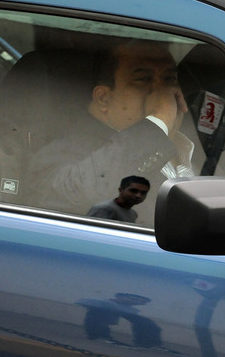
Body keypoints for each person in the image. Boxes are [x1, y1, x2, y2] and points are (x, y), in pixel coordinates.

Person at [27, 39, 195, 225]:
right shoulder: (64, 152)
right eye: (143, 80)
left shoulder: (191, 144)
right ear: (103, 98)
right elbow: (78, 197)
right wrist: (157, 122)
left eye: (169, 80)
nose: (164, 94)